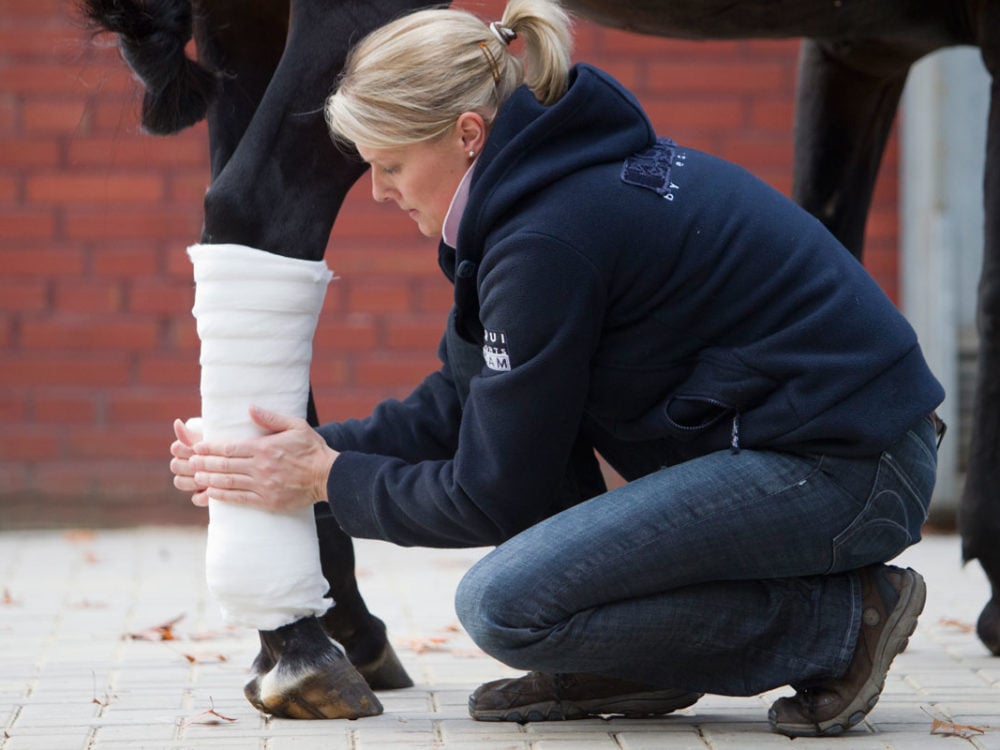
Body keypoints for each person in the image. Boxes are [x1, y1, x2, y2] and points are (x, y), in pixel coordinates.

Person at [170, 0, 946, 737]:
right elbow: (463, 403)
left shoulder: (546, 238)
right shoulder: (532, 196)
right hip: (818, 450)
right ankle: (628, 668)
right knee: (534, 552)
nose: (378, 193)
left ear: (467, 134)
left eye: (392, 166)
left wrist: (325, 479)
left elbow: (490, 492)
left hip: (851, 467)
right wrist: (276, 461)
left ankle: (842, 624)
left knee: (505, 606)